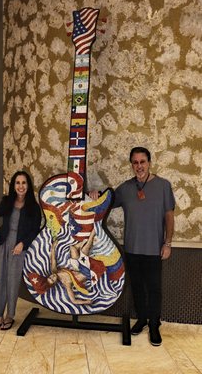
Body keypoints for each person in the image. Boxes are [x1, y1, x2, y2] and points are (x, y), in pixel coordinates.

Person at [90, 146, 175, 346]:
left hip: (154, 249)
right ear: (131, 165)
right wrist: (94, 193)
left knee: (154, 289)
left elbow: (169, 216)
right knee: (137, 287)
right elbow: (106, 201)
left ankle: (154, 324)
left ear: (149, 163)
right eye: (135, 163)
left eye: (142, 162)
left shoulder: (163, 186)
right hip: (132, 249)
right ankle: (143, 319)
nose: (139, 166)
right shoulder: (126, 188)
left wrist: (168, 243)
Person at [0, 171, 41, 331]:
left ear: (28, 186)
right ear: (13, 185)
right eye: (17, 183)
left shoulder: (34, 207)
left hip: (19, 249)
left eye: (23, 183)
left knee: (12, 282)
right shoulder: (7, 201)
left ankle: (10, 316)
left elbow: (35, 230)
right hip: (3, 245)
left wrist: (23, 243)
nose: (20, 186)